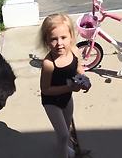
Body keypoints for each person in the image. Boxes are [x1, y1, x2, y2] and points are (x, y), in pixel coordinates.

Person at [39, 13, 91, 158]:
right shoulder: (48, 63)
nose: (59, 43)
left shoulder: (74, 51)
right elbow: (46, 89)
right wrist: (70, 87)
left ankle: (67, 150)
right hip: (51, 102)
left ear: (71, 37)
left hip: (67, 98)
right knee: (63, 135)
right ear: (46, 41)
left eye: (63, 37)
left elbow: (79, 69)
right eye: (53, 39)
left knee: (65, 131)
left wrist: (84, 80)